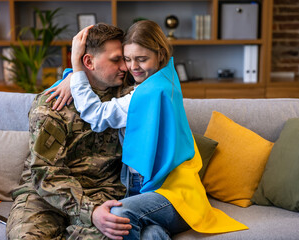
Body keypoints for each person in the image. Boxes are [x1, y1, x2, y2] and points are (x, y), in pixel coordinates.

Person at [48, 20, 248, 240]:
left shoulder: (148, 93)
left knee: (120, 215)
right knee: (151, 233)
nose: (132, 67)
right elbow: (100, 77)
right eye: (127, 58)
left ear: (159, 54)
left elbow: (97, 116)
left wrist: (77, 67)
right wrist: (72, 77)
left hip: (173, 194)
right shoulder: (164, 79)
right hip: (152, 190)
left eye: (141, 59)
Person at [6, 23, 137, 240]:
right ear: (88, 61)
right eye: (116, 60)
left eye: (125, 58)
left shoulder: (129, 99)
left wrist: (73, 74)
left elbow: (157, 70)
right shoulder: (51, 104)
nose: (125, 67)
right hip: (44, 196)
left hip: (102, 192)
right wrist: (88, 211)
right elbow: (45, 172)